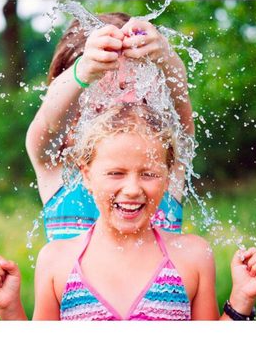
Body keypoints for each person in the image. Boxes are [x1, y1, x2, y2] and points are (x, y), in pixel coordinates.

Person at [0, 103, 256, 320]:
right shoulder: (56, 261)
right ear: (87, 175)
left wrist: (240, 300)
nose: (132, 189)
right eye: (116, 173)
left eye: (148, 174)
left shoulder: (193, 256)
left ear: (169, 175)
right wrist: (9, 309)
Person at [25, 12, 195, 241]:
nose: (123, 103)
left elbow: (180, 104)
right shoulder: (59, 167)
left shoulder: (165, 162)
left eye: (136, 90)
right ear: (71, 103)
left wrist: (166, 56)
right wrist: (83, 69)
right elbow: (49, 123)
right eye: (105, 89)